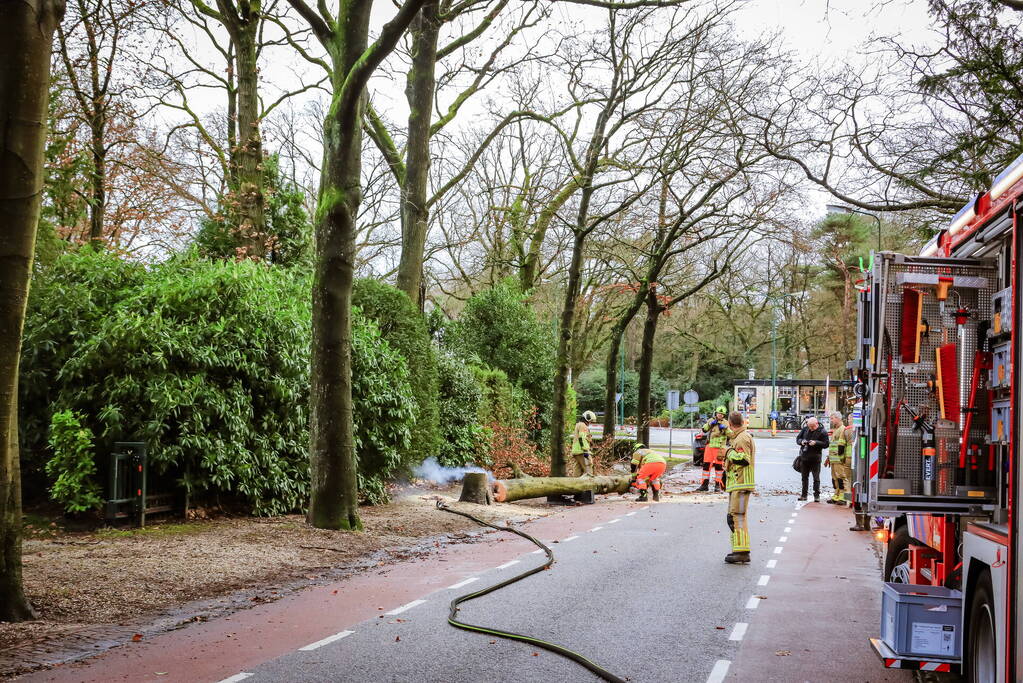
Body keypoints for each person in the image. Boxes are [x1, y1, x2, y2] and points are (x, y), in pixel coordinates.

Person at [724, 411, 756, 563]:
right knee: (732, 517)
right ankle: (738, 549)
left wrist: (729, 452)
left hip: (742, 484)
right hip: (737, 484)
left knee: (738, 517)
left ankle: (742, 552)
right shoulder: (739, 437)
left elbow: (744, 460)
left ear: (730, 423)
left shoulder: (742, 438)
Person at [795, 416, 830, 502]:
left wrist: (816, 443)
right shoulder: (805, 429)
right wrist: (802, 442)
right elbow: (798, 439)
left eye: (812, 427)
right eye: (809, 426)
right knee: (804, 477)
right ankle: (804, 495)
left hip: (815, 458)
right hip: (804, 457)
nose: (811, 428)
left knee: (816, 478)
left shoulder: (822, 431)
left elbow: (826, 444)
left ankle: (817, 496)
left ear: (817, 424)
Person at [697, 406, 728, 492]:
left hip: (720, 448)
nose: (720, 415)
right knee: (706, 466)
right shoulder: (711, 420)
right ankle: (704, 485)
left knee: (719, 467)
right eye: (719, 413)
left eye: (722, 414)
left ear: (724, 415)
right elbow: (704, 429)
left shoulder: (726, 423)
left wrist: (725, 429)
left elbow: (730, 434)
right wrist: (710, 424)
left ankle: (718, 485)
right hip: (709, 447)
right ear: (716, 413)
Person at [825, 411, 851, 505]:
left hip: (839, 459)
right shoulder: (836, 429)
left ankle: (844, 498)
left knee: (842, 478)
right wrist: (829, 457)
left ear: (838, 418)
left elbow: (841, 445)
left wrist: (841, 458)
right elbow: (833, 445)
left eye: (832, 418)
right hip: (833, 459)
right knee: (835, 478)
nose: (831, 421)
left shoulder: (842, 429)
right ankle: (837, 495)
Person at [571, 411, 596, 476]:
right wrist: (585, 451)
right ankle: (589, 483)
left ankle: (575, 484)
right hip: (581, 451)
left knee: (577, 469)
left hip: (576, 451)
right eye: (590, 421)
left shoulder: (578, 424)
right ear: (587, 418)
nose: (590, 423)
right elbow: (582, 438)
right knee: (589, 466)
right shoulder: (583, 425)